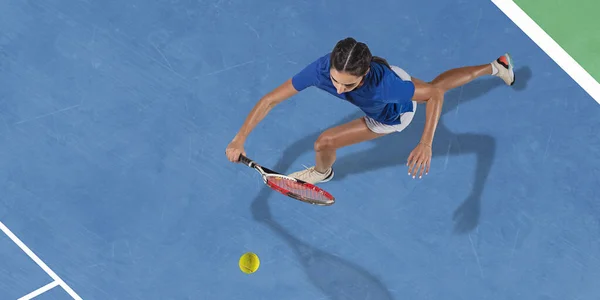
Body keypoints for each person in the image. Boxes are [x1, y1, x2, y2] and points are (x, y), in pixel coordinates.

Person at [225, 37, 514, 183]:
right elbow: (270, 100)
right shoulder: (321, 69)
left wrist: (425, 143)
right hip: (396, 76)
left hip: (392, 115)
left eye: (348, 85)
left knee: (323, 142)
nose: (338, 89)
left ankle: (322, 173)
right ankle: (496, 66)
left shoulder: (385, 88)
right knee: (433, 84)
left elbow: (435, 96)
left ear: (363, 76)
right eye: (335, 80)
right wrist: (240, 138)